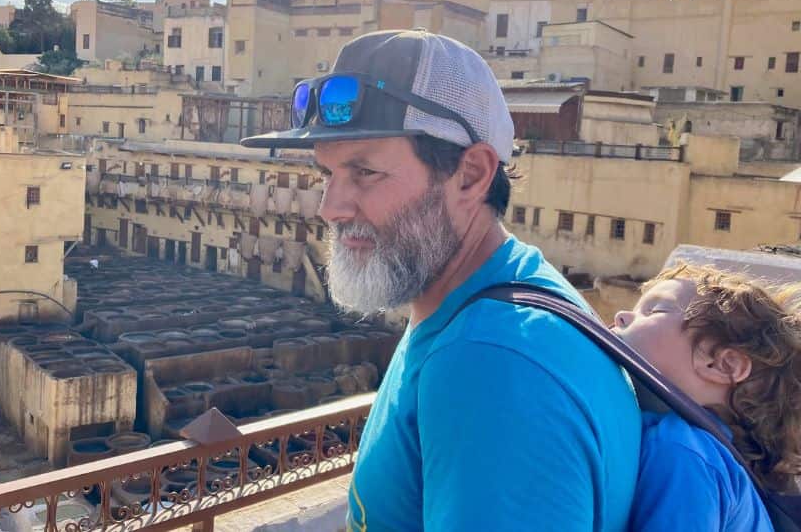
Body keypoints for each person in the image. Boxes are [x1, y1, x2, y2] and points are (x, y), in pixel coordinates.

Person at [241, 30, 641, 531]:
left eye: (364, 171)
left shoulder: (493, 365)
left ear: (470, 175)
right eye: (327, 174)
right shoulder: (485, 303)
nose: (331, 208)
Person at [613, 263, 801, 531]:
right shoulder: (718, 460)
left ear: (722, 365)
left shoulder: (685, 450)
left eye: (655, 310)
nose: (620, 316)